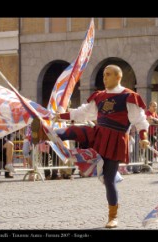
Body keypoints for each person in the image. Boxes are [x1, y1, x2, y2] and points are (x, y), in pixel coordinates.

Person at [53, 65, 150, 228]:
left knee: (109, 179)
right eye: (104, 75)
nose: (104, 78)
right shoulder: (99, 96)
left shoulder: (129, 96)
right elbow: (82, 112)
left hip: (116, 140)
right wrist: (60, 116)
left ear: (118, 77)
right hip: (98, 134)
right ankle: (52, 134)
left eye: (108, 75)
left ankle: (113, 216)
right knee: (80, 131)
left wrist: (144, 137)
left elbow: (140, 120)